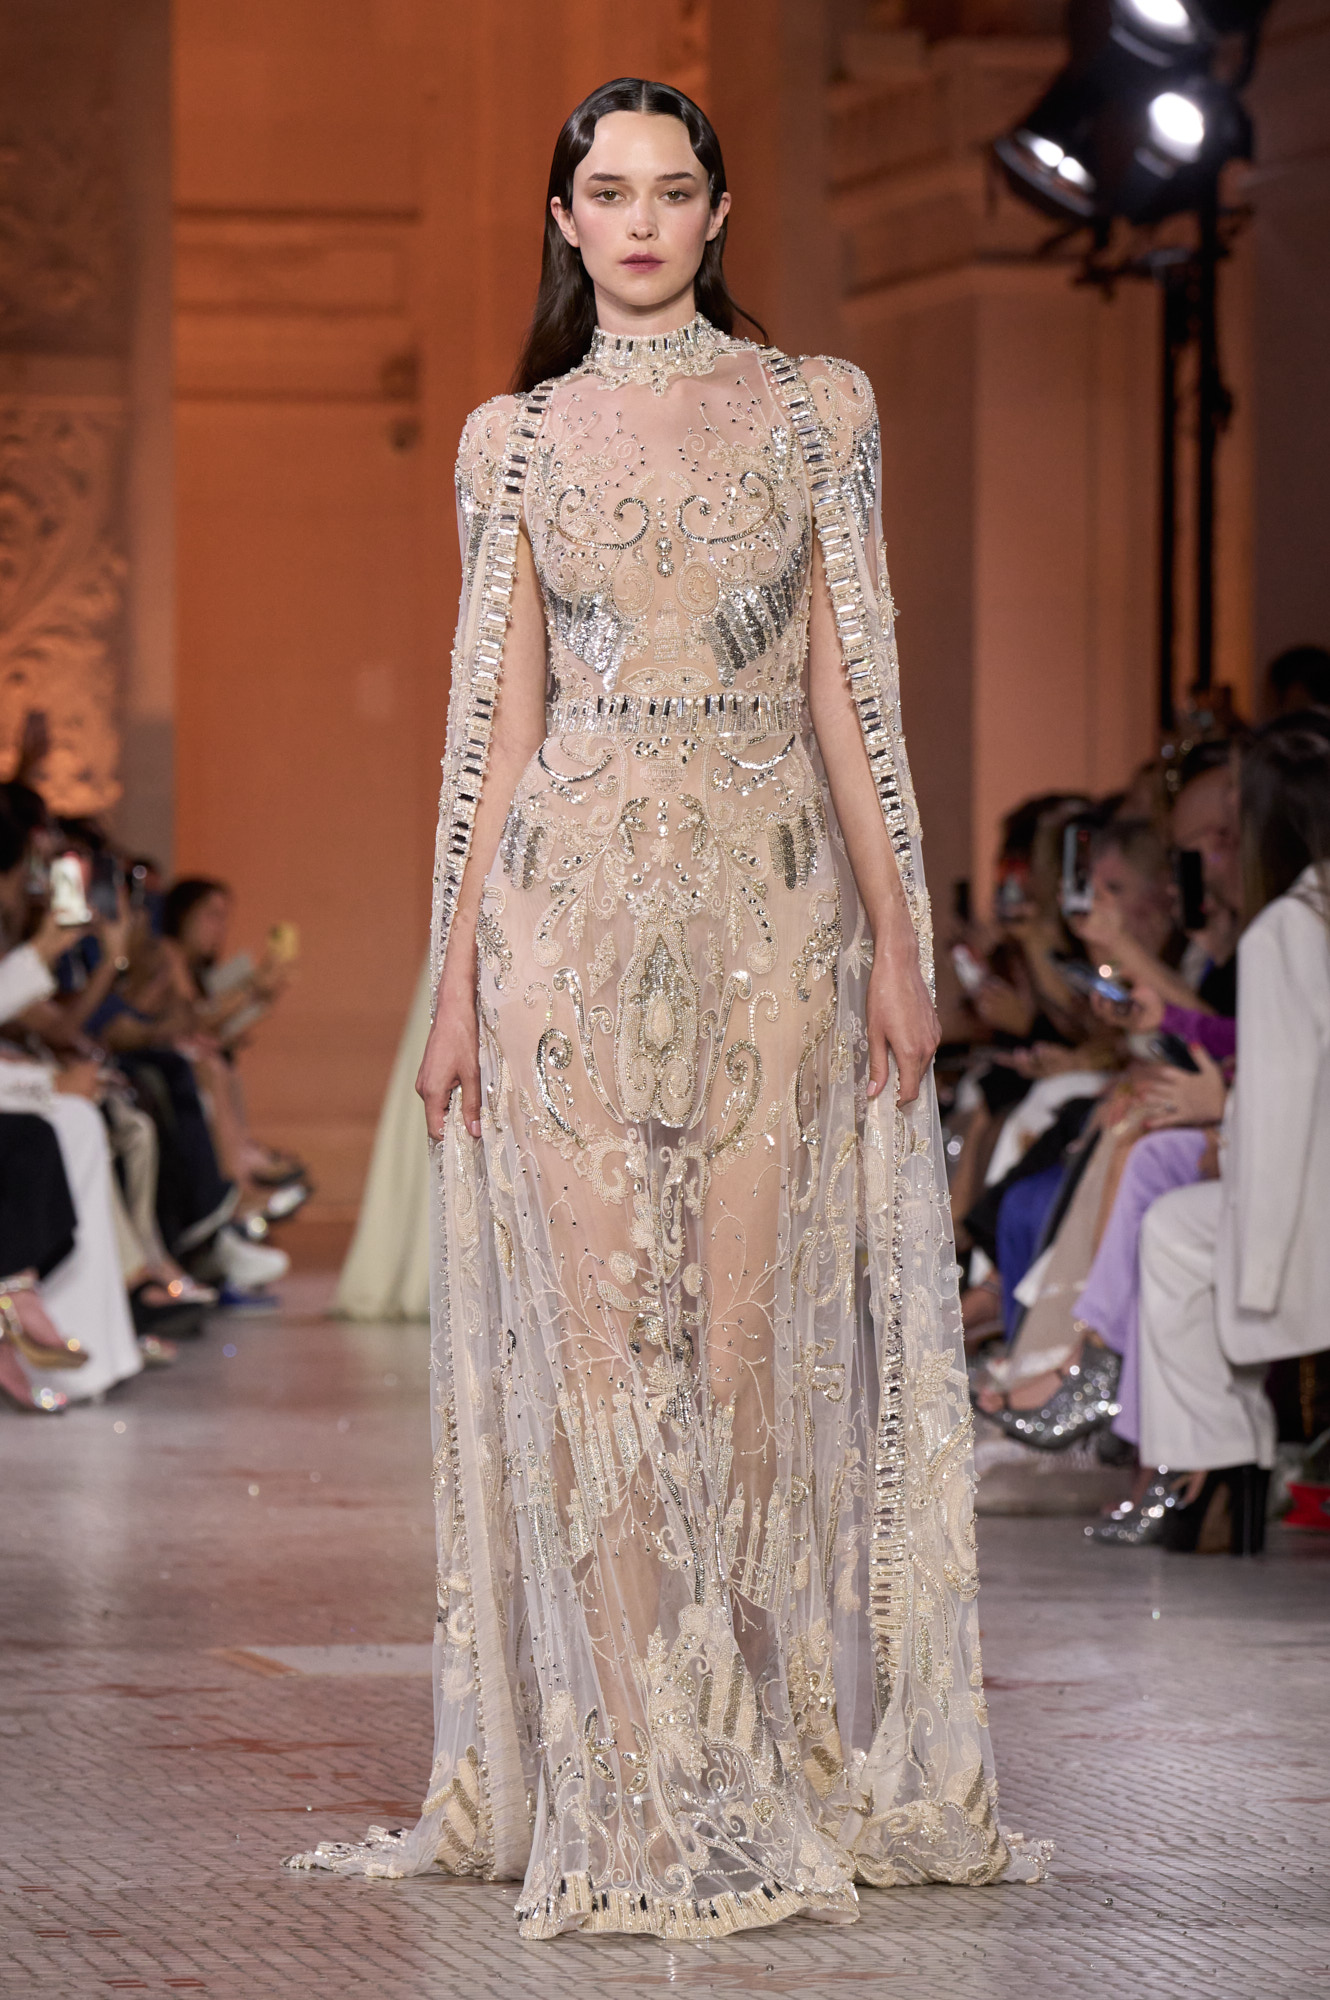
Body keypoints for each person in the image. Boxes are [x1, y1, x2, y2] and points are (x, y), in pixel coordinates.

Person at [288, 78, 1047, 1934]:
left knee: (744, 1352)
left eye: (672, 190)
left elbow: (855, 696)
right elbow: (496, 731)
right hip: (563, 914)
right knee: (606, 1355)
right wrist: (451, 990)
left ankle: (749, 1756)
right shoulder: (511, 442)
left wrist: (901, 941)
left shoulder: (816, 410)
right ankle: (634, 1787)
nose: (639, 222)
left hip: (775, 911)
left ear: (716, 213)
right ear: (563, 220)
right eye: (608, 193)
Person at [1129, 713, 1330, 1554]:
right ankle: (1218, 1467)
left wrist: (1260, 1253)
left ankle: (1216, 1464)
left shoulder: (1289, 924)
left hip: (1306, 1197)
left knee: (1178, 1231)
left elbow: (1283, 1097)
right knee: (1180, 1227)